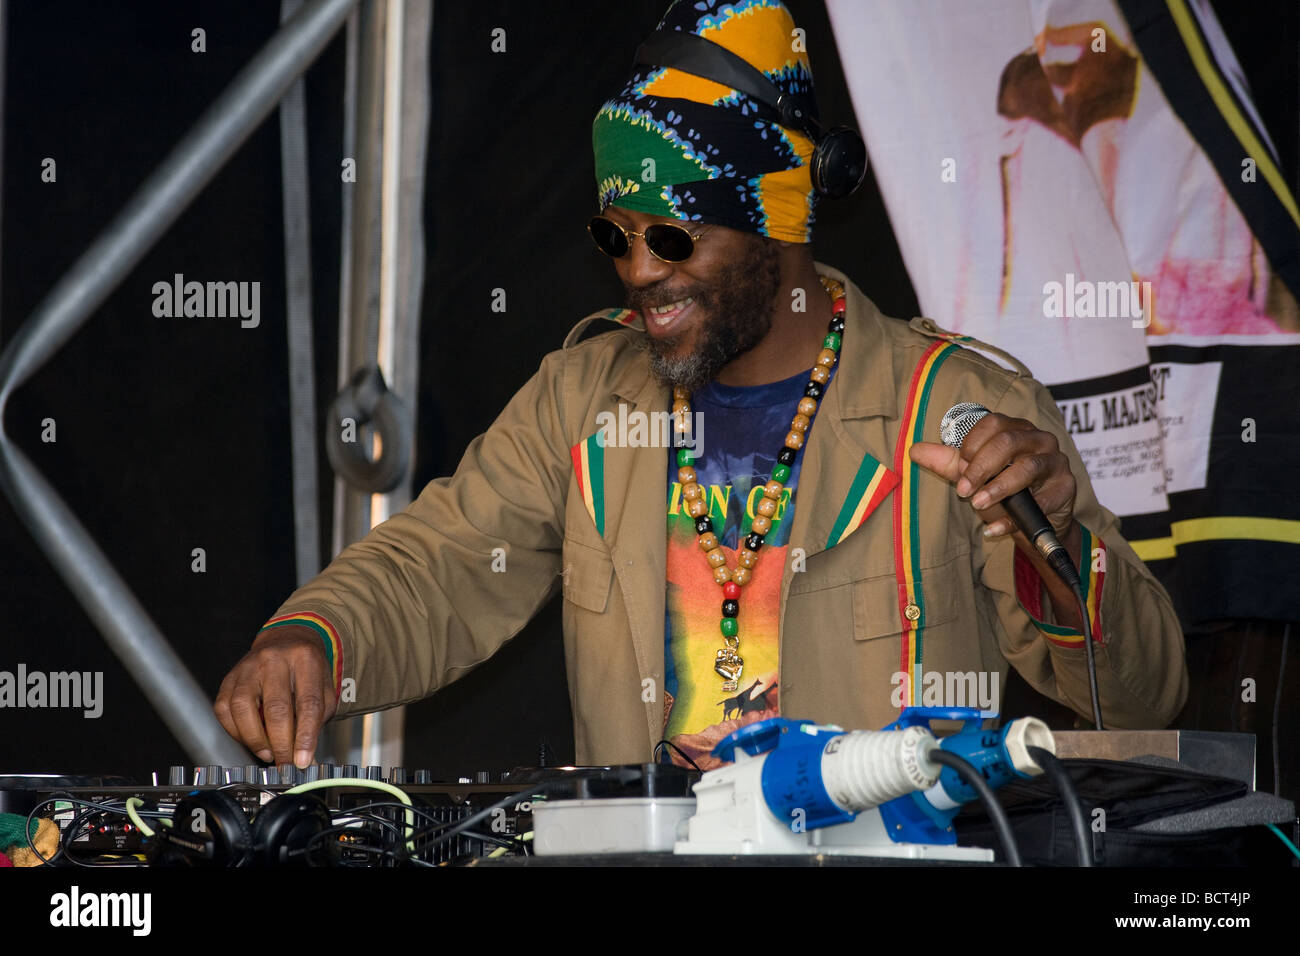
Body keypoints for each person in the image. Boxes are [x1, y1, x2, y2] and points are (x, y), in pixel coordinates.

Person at [215, 0, 1187, 771]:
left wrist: (1051, 542)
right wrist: (317, 637)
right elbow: (445, 560)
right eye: (614, 234)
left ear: (780, 220)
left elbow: (1142, 699)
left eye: (673, 235)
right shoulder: (584, 398)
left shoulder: (951, 402)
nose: (637, 270)